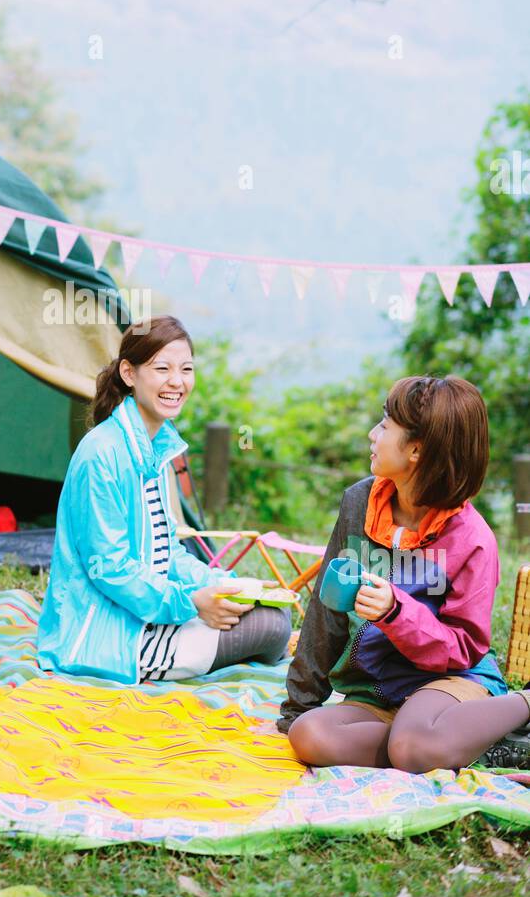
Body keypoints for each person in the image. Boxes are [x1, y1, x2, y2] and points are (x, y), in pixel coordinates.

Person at [277, 375, 530, 772]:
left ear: (416, 449)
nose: (371, 434)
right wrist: (297, 708)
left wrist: (396, 613)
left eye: (384, 425)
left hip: (450, 682)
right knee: (309, 737)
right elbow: (325, 613)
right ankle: (461, 742)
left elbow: (464, 647)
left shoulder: (472, 538)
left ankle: (522, 705)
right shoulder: (358, 504)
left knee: (412, 745)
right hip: (378, 693)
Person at [37, 314, 292, 684]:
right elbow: (109, 567)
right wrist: (191, 603)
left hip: (147, 612)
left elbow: (168, 553)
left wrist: (225, 584)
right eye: (162, 369)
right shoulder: (101, 453)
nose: (177, 381)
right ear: (129, 373)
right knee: (270, 629)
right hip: (106, 634)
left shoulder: (153, 447)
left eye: (186, 369)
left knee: (271, 613)